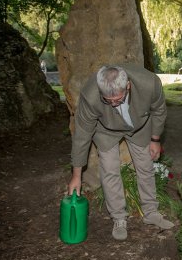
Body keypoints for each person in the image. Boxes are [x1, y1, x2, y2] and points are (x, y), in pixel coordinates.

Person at [68, 64, 175, 241]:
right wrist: (76, 175)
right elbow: (82, 136)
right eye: (107, 100)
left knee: (145, 166)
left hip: (139, 127)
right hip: (105, 130)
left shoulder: (150, 83)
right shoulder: (90, 95)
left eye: (118, 100)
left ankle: (151, 212)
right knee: (109, 169)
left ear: (128, 86)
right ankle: (118, 218)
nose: (113, 104)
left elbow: (159, 110)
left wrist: (155, 139)